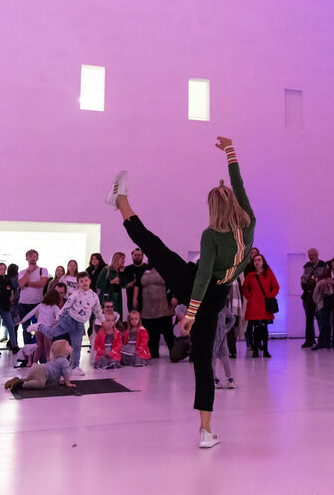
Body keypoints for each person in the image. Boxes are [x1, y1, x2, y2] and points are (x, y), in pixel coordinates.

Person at [105, 135, 255, 449]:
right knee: (203, 362)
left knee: (153, 246)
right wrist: (229, 151)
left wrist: (189, 313)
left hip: (199, 289)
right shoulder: (250, 222)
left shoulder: (211, 235)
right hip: (215, 298)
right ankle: (205, 431)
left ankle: (120, 201)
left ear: (213, 208)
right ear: (234, 203)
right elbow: (238, 183)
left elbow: (201, 277)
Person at [31, 272, 98, 377]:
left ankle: (75, 366)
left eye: (86, 280)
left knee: (77, 345)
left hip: (78, 324)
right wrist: (57, 319)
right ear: (78, 284)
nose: (84, 283)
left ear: (89, 281)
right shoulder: (74, 295)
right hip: (67, 321)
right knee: (50, 333)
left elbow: (94, 308)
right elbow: (64, 309)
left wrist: (101, 318)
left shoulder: (93, 295)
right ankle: (39, 327)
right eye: (81, 281)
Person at [134, 267, 176, 359]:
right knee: (151, 333)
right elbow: (137, 285)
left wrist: (174, 296)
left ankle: (174, 353)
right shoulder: (144, 269)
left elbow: (173, 283)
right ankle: (153, 353)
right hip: (147, 307)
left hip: (163, 306)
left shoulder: (166, 269)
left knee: (167, 332)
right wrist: (135, 299)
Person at [243, 254, 279, 358]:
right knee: (256, 329)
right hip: (254, 307)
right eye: (255, 260)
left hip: (265, 306)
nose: (257, 262)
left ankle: (266, 350)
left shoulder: (269, 274)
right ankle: (255, 350)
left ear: (263, 261)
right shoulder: (250, 275)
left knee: (264, 329)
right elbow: (245, 288)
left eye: (259, 260)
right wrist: (250, 297)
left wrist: (270, 296)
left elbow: (276, 286)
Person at [5, 339, 75, 393]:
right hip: (42, 371)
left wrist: (58, 381)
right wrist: (68, 383)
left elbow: (57, 372)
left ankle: (18, 380)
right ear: (63, 350)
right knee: (40, 384)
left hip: (38, 367)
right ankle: (21, 384)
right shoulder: (64, 361)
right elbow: (66, 374)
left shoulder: (57, 359)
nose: (70, 347)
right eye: (68, 345)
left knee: (31, 379)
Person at [21, 288, 63, 365]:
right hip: (47, 330)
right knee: (48, 348)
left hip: (38, 328)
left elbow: (31, 313)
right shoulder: (54, 307)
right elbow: (60, 316)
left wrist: (23, 320)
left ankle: (34, 363)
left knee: (39, 347)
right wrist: (55, 323)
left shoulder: (41, 305)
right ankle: (48, 363)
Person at [18, 250, 48, 345]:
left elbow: (42, 283)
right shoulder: (22, 272)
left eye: (34, 256)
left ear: (37, 258)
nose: (32, 258)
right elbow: (21, 284)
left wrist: (28, 284)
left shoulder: (42, 270)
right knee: (25, 329)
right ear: (26, 258)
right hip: (23, 304)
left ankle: (36, 350)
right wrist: (28, 272)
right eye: (30, 256)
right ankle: (27, 352)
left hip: (37, 304)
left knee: (38, 328)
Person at [299, 248, 326, 348]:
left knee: (321, 319)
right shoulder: (307, 266)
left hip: (319, 296)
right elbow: (304, 279)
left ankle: (323, 340)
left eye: (313, 255)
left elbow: (324, 278)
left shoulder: (323, 265)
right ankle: (309, 340)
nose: (311, 257)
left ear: (317, 255)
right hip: (308, 296)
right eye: (309, 255)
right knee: (309, 319)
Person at [311, 270, 334, 351]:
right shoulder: (321, 283)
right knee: (324, 323)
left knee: (327, 324)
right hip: (323, 303)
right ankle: (322, 341)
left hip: (331, 303)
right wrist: (318, 303)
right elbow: (315, 295)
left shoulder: (333, 283)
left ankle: (326, 341)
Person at [213, 306, 236, 388]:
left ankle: (230, 378)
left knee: (225, 359)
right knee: (212, 359)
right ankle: (214, 378)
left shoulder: (223, 308)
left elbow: (232, 318)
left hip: (222, 339)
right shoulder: (208, 307)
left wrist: (227, 329)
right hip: (211, 338)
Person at [224, 273, 244, 358]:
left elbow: (240, 293)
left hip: (232, 307)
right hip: (224, 306)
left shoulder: (236, 277)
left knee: (231, 329)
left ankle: (232, 350)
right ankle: (228, 350)